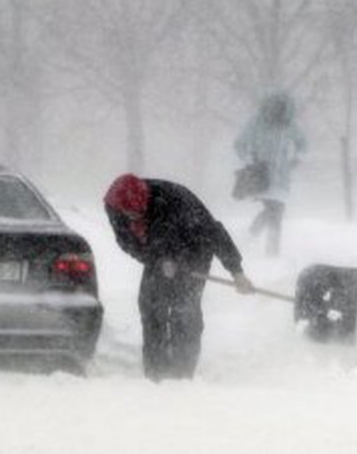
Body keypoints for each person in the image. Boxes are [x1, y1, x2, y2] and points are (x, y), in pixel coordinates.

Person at [104, 174, 254, 381]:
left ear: (147, 202)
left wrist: (236, 272)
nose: (134, 216)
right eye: (130, 213)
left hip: (194, 247)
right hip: (157, 255)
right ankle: (155, 372)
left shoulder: (176, 201)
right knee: (151, 305)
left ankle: (182, 372)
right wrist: (157, 260)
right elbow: (127, 242)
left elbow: (215, 233)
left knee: (184, 309)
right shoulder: (114, 206)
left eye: (139, 213)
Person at [234, 92, 307, 256]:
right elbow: (239, 143)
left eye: (278, 106)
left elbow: (303, 142)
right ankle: (270, 251)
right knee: (275, 210)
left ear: (284, 108)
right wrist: (248, 160)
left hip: (282, 176)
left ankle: (256, 236)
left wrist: (297, 158)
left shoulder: (289, 125)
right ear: (266, 106)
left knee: (276, 211)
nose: (274, 110)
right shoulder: (256, 123)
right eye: (271, 106)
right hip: (261, 174)